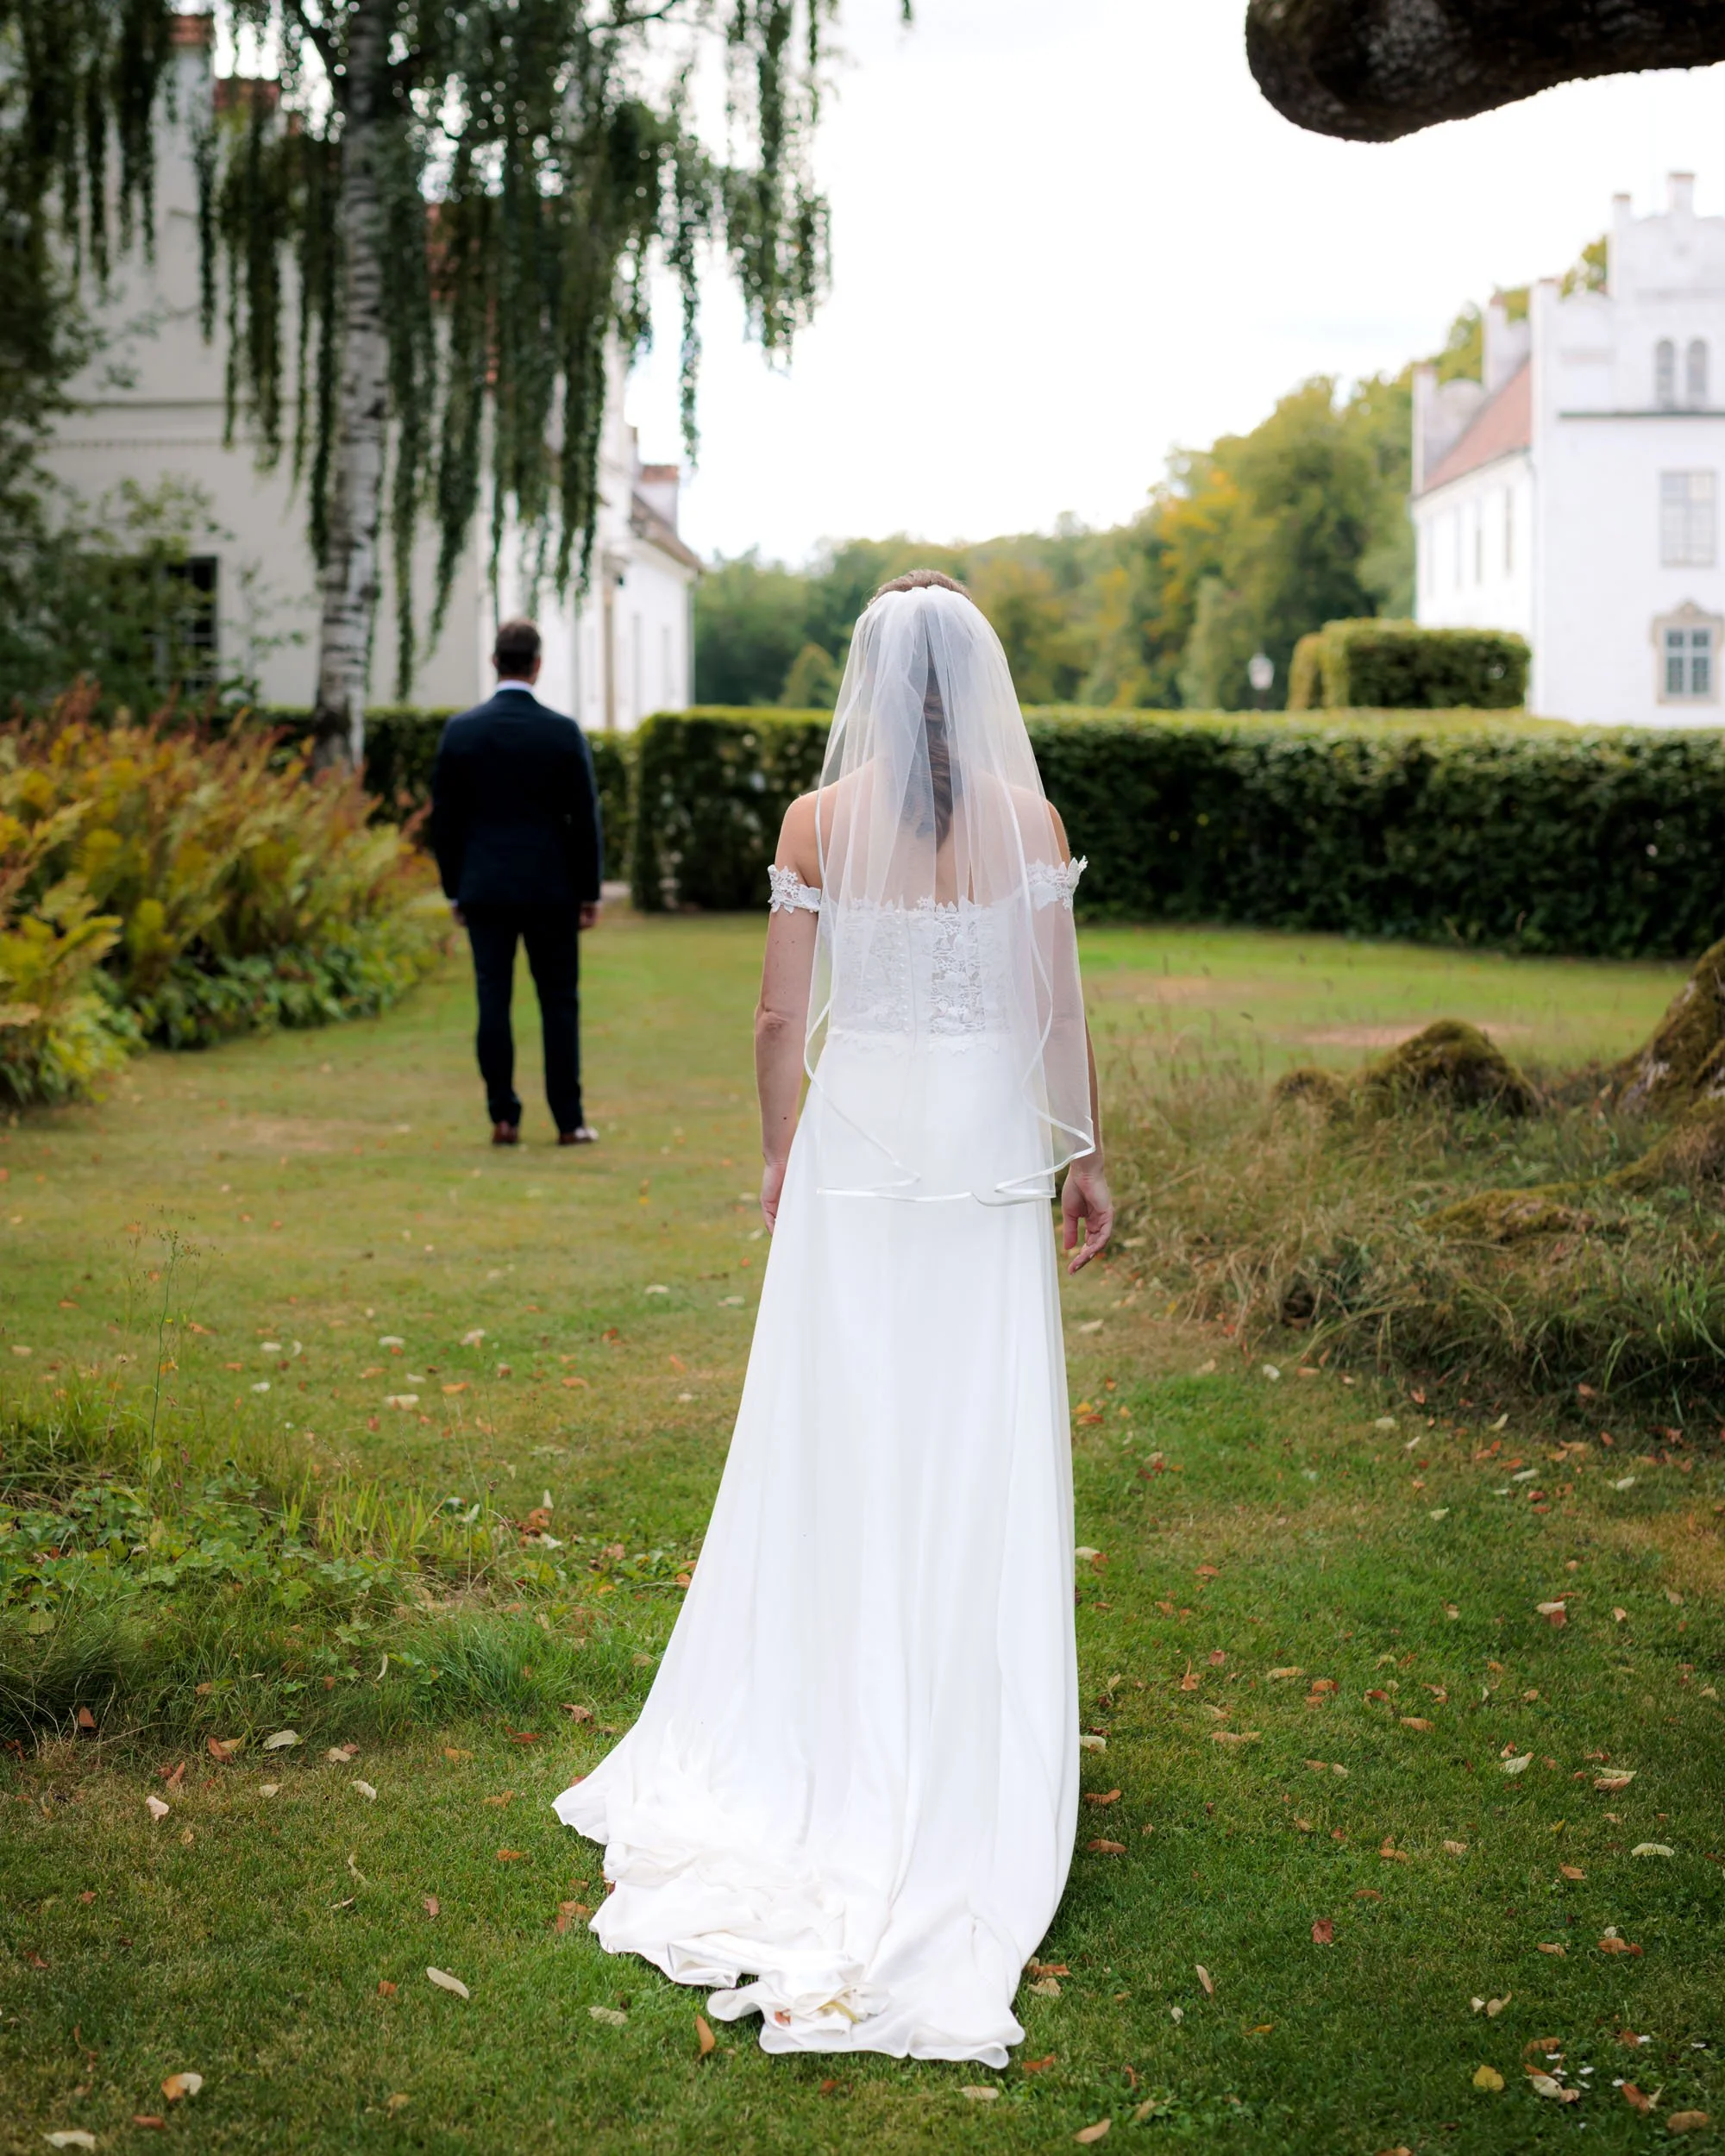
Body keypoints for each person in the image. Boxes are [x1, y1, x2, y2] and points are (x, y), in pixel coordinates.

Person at [555, 573, 1112, 2065]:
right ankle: (960, 1722)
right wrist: (1087, 1156)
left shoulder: (816, 823)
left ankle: (833, 1714)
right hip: (993, 1145)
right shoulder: (1031, 824)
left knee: (847, 1434)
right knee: (970, 1430)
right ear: (980, 680)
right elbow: (1058, 1014)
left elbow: (775, 1020)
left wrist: (779, 1147)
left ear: (867, 677)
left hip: (863, 1153)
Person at [430, 618, 603, 1147]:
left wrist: (454, 888)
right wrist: (589, 891)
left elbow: (445, 821)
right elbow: (584, 818)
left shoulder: (461, 731)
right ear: (537, 664)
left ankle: (503, 1115)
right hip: (552, 891)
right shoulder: (561, 731)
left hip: (485, 889)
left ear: (494, 662)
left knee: (493, 1001)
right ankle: (569, 1121)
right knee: (559, 1003)